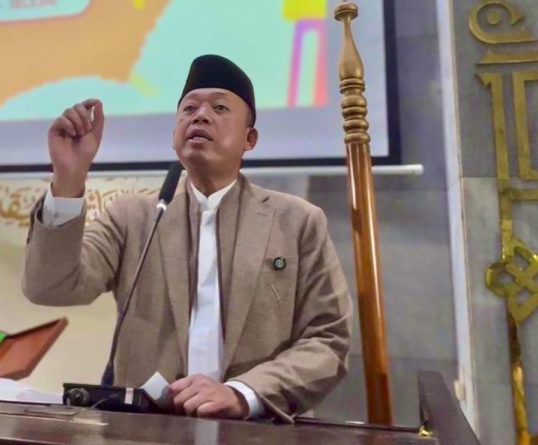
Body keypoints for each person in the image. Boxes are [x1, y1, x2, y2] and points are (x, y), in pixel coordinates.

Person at [23, 54, 351, 422]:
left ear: (250, 138)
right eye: (189, 109)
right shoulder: (132, 217)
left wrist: (243, 394)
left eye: (220, 107)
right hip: (143, 436)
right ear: (175, 134)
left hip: (256, 435)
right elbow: (49, 287)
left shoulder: (296, 221)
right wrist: (68, 178)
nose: (200, 116)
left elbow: (328, 340)